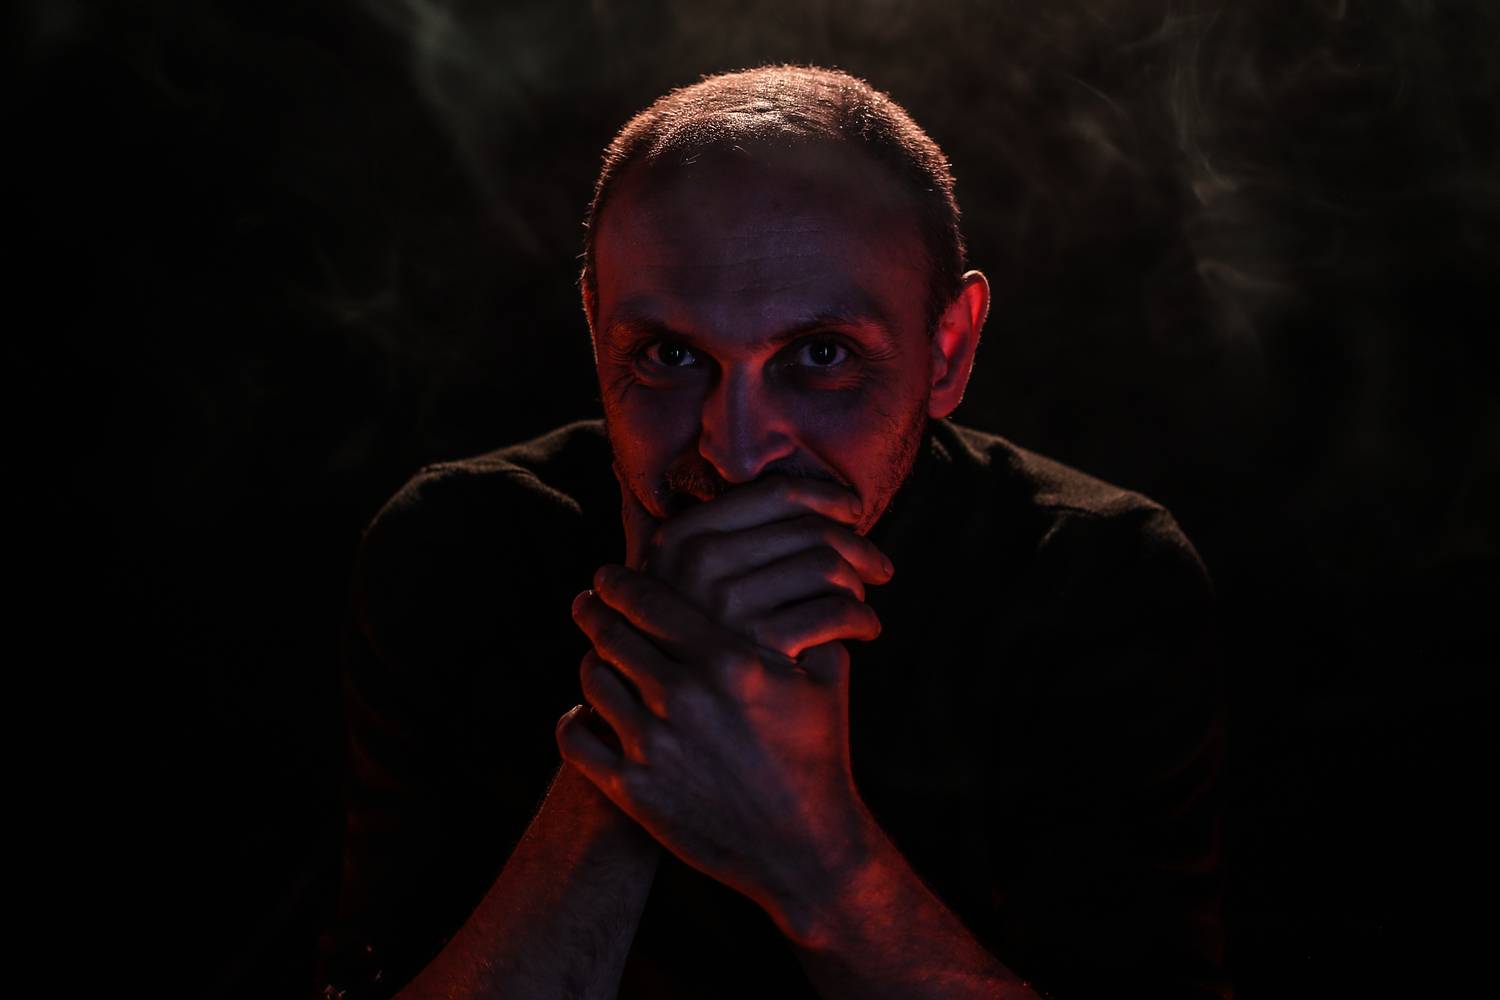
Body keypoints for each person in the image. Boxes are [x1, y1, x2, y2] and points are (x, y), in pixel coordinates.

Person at [318, 65, 1229, 999]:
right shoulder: (456, 552)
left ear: (947, 350)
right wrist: (636, 730)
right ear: (596, 330)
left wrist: (818, 859)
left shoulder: (1094, 578)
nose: (739, 451)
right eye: (670, 355)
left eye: (820, 355)